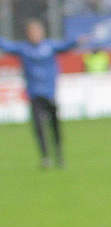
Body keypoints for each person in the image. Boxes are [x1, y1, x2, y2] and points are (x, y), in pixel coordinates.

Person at [0, 19, 85, 169]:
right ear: (28, 34)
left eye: (37, 31)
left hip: (50, 93)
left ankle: (59, 155)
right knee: (39, 128)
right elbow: (6, 45)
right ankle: (45, 157)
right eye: (32, 32)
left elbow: (66, 46)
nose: (35, 35)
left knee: (55, 127)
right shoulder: (24, 48)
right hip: (34, 94)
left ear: (42, 32)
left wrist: (76, 41)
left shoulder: (50, 46)